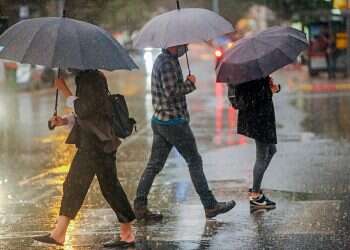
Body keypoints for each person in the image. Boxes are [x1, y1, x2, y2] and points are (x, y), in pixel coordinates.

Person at [33, 70, 135, 248]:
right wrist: (63, 121)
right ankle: (59, 233)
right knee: (81, 185)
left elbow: (84, 109)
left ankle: (127, 234)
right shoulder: (87, 78)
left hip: (98, 144)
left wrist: (64, 90)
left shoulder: (92, 78)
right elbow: (90, 113)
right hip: (94, 143)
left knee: (106, 188)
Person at [134, 44, 235, 222]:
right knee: (194, 161)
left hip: (161, 120)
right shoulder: (166, 63)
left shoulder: (166, 60)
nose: (186, 47)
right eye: (183, 45)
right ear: (174, 45)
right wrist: (190, 83)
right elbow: (171, 92)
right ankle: (210, 205)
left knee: (154, 165)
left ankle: (140, 206)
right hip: (173, 123)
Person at [232, 76, 279, 209]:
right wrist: (268, 89)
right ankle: (255, 195)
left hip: (261, 117)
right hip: (259, 118)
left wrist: (271, 88)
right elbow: (256, 96)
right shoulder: (253, 75)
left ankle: (255, 188)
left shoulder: (253, 74)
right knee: (262, 156)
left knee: (272, 150)